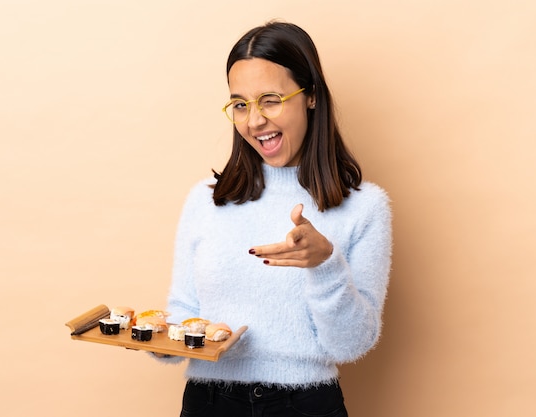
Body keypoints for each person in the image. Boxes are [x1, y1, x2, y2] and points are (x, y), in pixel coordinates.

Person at [156, 21, 392, 417]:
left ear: (311, 96)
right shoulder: (205, 200)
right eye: (240, 104)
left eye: (270, 99)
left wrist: (326, 265)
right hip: (209, 403)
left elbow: (352, 345)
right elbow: (182, 312)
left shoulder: (366, 207)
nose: (254, 121)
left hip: (306, 405)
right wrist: (161, 340)